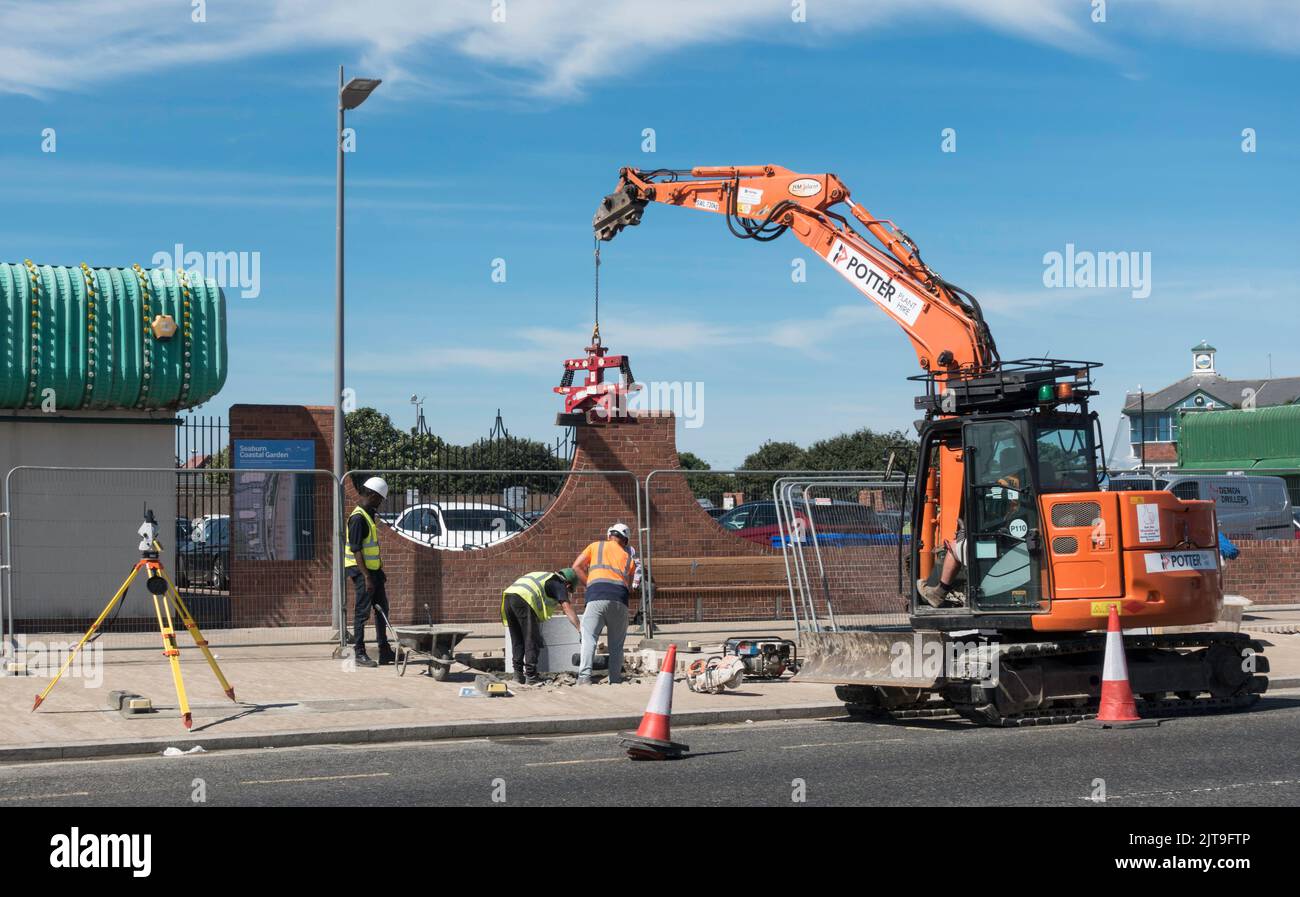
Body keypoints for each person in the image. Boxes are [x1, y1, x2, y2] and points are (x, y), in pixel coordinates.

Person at [573, 522, 641, 684]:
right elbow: (629, 586)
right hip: (620, 600)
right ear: (625, 540)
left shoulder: (595, 546)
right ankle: (615, 679)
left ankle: (584, 678)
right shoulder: (628, 558)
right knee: (616, 645)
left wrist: (590, 584)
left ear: (609, 535)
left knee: (589, 638)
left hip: (596, 596)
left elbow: (576, 566)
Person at [501, 568, 581, 685]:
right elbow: (566, 607)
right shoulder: (558, 584)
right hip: (524, 599)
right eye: (569, 590)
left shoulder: (545, 577)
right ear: (567, 584)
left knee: (518, 640)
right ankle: (531, 676)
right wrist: (580, 628)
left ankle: (518, 675)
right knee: (531, 639)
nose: (566, 592)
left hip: (509, 597)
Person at [345, 476, 394, 668]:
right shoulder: (358, 518)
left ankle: (384, 649)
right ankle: (359, 652)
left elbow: (370, 549)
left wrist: (378, 573)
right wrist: (366, 577)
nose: (380, 503)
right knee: (362, 612)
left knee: (382, 609)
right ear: (372, 495)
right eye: (380, 498)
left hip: (373, 572)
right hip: (361, 573)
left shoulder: (368, 514)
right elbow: (356, 549)